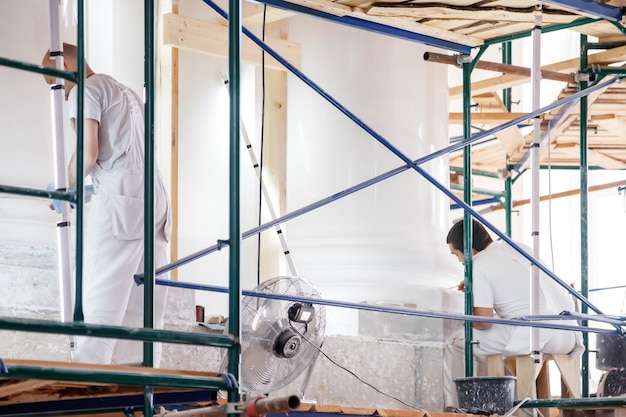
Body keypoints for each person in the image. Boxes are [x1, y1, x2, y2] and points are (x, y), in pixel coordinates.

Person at [42, 43, 171, 366]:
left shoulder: (86, 90)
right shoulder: (123, 90)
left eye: (54, 83)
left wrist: (64, 186)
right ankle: (142, 396)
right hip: (153, 202)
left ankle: (88, 395)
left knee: (98, 305)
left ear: (64, 70)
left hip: (120, 205)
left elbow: (88, 152)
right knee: (141, 311)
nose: (59, 92)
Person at [443, 218, 583, 409]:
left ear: (469, 250)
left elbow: (483, 322)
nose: (460, 261)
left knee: (457, 342)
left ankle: (462, 407)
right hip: (568, 333)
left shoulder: (477, 263)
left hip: (535, 334)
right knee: (494, 341)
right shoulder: (518, 247)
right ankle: (496, 400)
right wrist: (475, 288)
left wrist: (469, 306)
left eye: (457, 255)